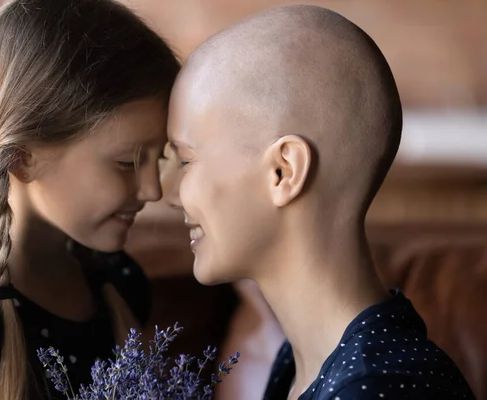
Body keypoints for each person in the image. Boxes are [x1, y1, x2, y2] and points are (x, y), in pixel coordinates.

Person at [165, 4, 475, 399]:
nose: (170, 195)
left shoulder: (377, 387)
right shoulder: (304, 365)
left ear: (283, 172)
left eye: (187, 160)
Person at [0, 1, 180, 399]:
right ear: (22, 157)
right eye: (128, 163)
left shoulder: (115, 285)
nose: (152, 191)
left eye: (157, 159)